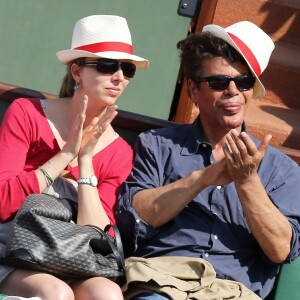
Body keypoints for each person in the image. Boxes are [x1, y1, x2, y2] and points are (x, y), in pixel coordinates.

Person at [116, 21, 300, 300]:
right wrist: (201, 179)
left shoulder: (280, 169)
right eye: (218, 82)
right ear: (192, 90)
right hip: (161, 284)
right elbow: (137, 215)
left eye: (243, 82)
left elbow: (280, 249)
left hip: (234, 292)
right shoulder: (157, 144)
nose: (233, 91)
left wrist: (247, 181)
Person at [0, 15, 148, 300]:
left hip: (68, 256)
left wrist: (85, 161)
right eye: (107, 65)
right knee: (55, 293)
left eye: (127, 69)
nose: (119, 77)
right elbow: (3, 203)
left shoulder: (120, 152)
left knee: (108, 294)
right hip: (12, 248)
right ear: (77, 72)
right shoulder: (27, 114)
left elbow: (96, 235)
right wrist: (66, 153)